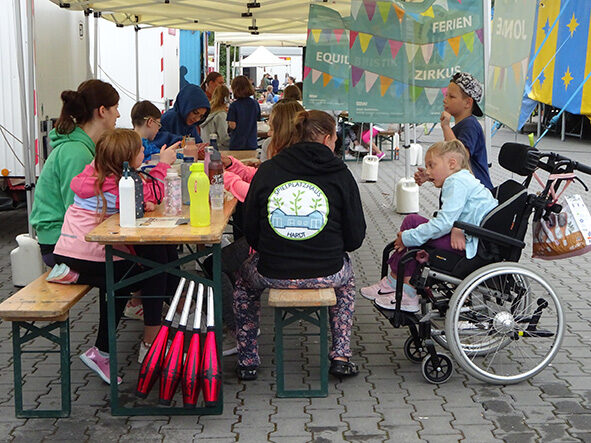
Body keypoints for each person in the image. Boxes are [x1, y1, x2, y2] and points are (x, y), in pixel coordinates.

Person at [233, 110, 367, 380]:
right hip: (328, 270)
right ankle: (341, 356)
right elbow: (355, 238)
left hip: (272, 271)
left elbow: (250, 230)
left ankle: (247, 360)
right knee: (347, 280)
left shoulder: (269, 169)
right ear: (327, 138)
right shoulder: (340, 173)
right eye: (335, 139)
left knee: (243, 285)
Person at [53, 129, 179, 384]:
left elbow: (141, 201)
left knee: (136, 271)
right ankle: (148, 342)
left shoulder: (94, 173)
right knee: (150, 270)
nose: (145, 153)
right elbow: (155, 193)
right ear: (126, 159)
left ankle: (105, 350)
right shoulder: (121, 184)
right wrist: (163, 165)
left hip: (67, 250)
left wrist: (142, 201)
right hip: (92, 252)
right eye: (140, 151)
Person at [361, 140, 497, 312]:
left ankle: (404, 290)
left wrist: (407, 237)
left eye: (432, 165)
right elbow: (470, 211)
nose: (428, 171)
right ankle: (395, 282)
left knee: (411, 224)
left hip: (468, 245)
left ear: (452, 164)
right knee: (413, 225)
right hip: (473, 239)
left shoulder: (456, 182)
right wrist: (458, 227)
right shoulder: (463, 178)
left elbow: (444, 223)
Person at [30, 79, 120, 267]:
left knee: (144, 259)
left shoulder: (81, 147)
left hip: (63, 237)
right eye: (116, 108)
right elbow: (78, 210)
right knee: (141, 264)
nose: (118, 114)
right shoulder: (76, 152)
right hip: (60, 243)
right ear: (102, 111)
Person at [415, 72, 493, 190]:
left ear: (468, 102)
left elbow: (460, 158)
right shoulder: (461, 126)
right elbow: (448, 164)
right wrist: (430, 174)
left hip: (474, 193)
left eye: (451, 97)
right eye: (446, 95)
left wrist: (446, 127)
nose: (445, 100)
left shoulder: (470, 125)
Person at [224, 99, 305, 201]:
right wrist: (231, 164)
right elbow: (263, 177)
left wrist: (225, 178)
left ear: (284, 132)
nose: (268, 133)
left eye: (272, 129)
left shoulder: (288, 166)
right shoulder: (297, 160)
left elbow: (258, 193)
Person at [227, 75, 260, 151]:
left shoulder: (234, 105)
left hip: (237, 143)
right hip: (252, 142)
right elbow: (258, 118)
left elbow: (232, 125)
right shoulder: (255, 103)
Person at [200, 84, 231, 149]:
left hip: (206, 149)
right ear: (227, 98)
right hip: (220, 150)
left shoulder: (207, 112)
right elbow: (224, 139)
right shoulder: (221, 115)